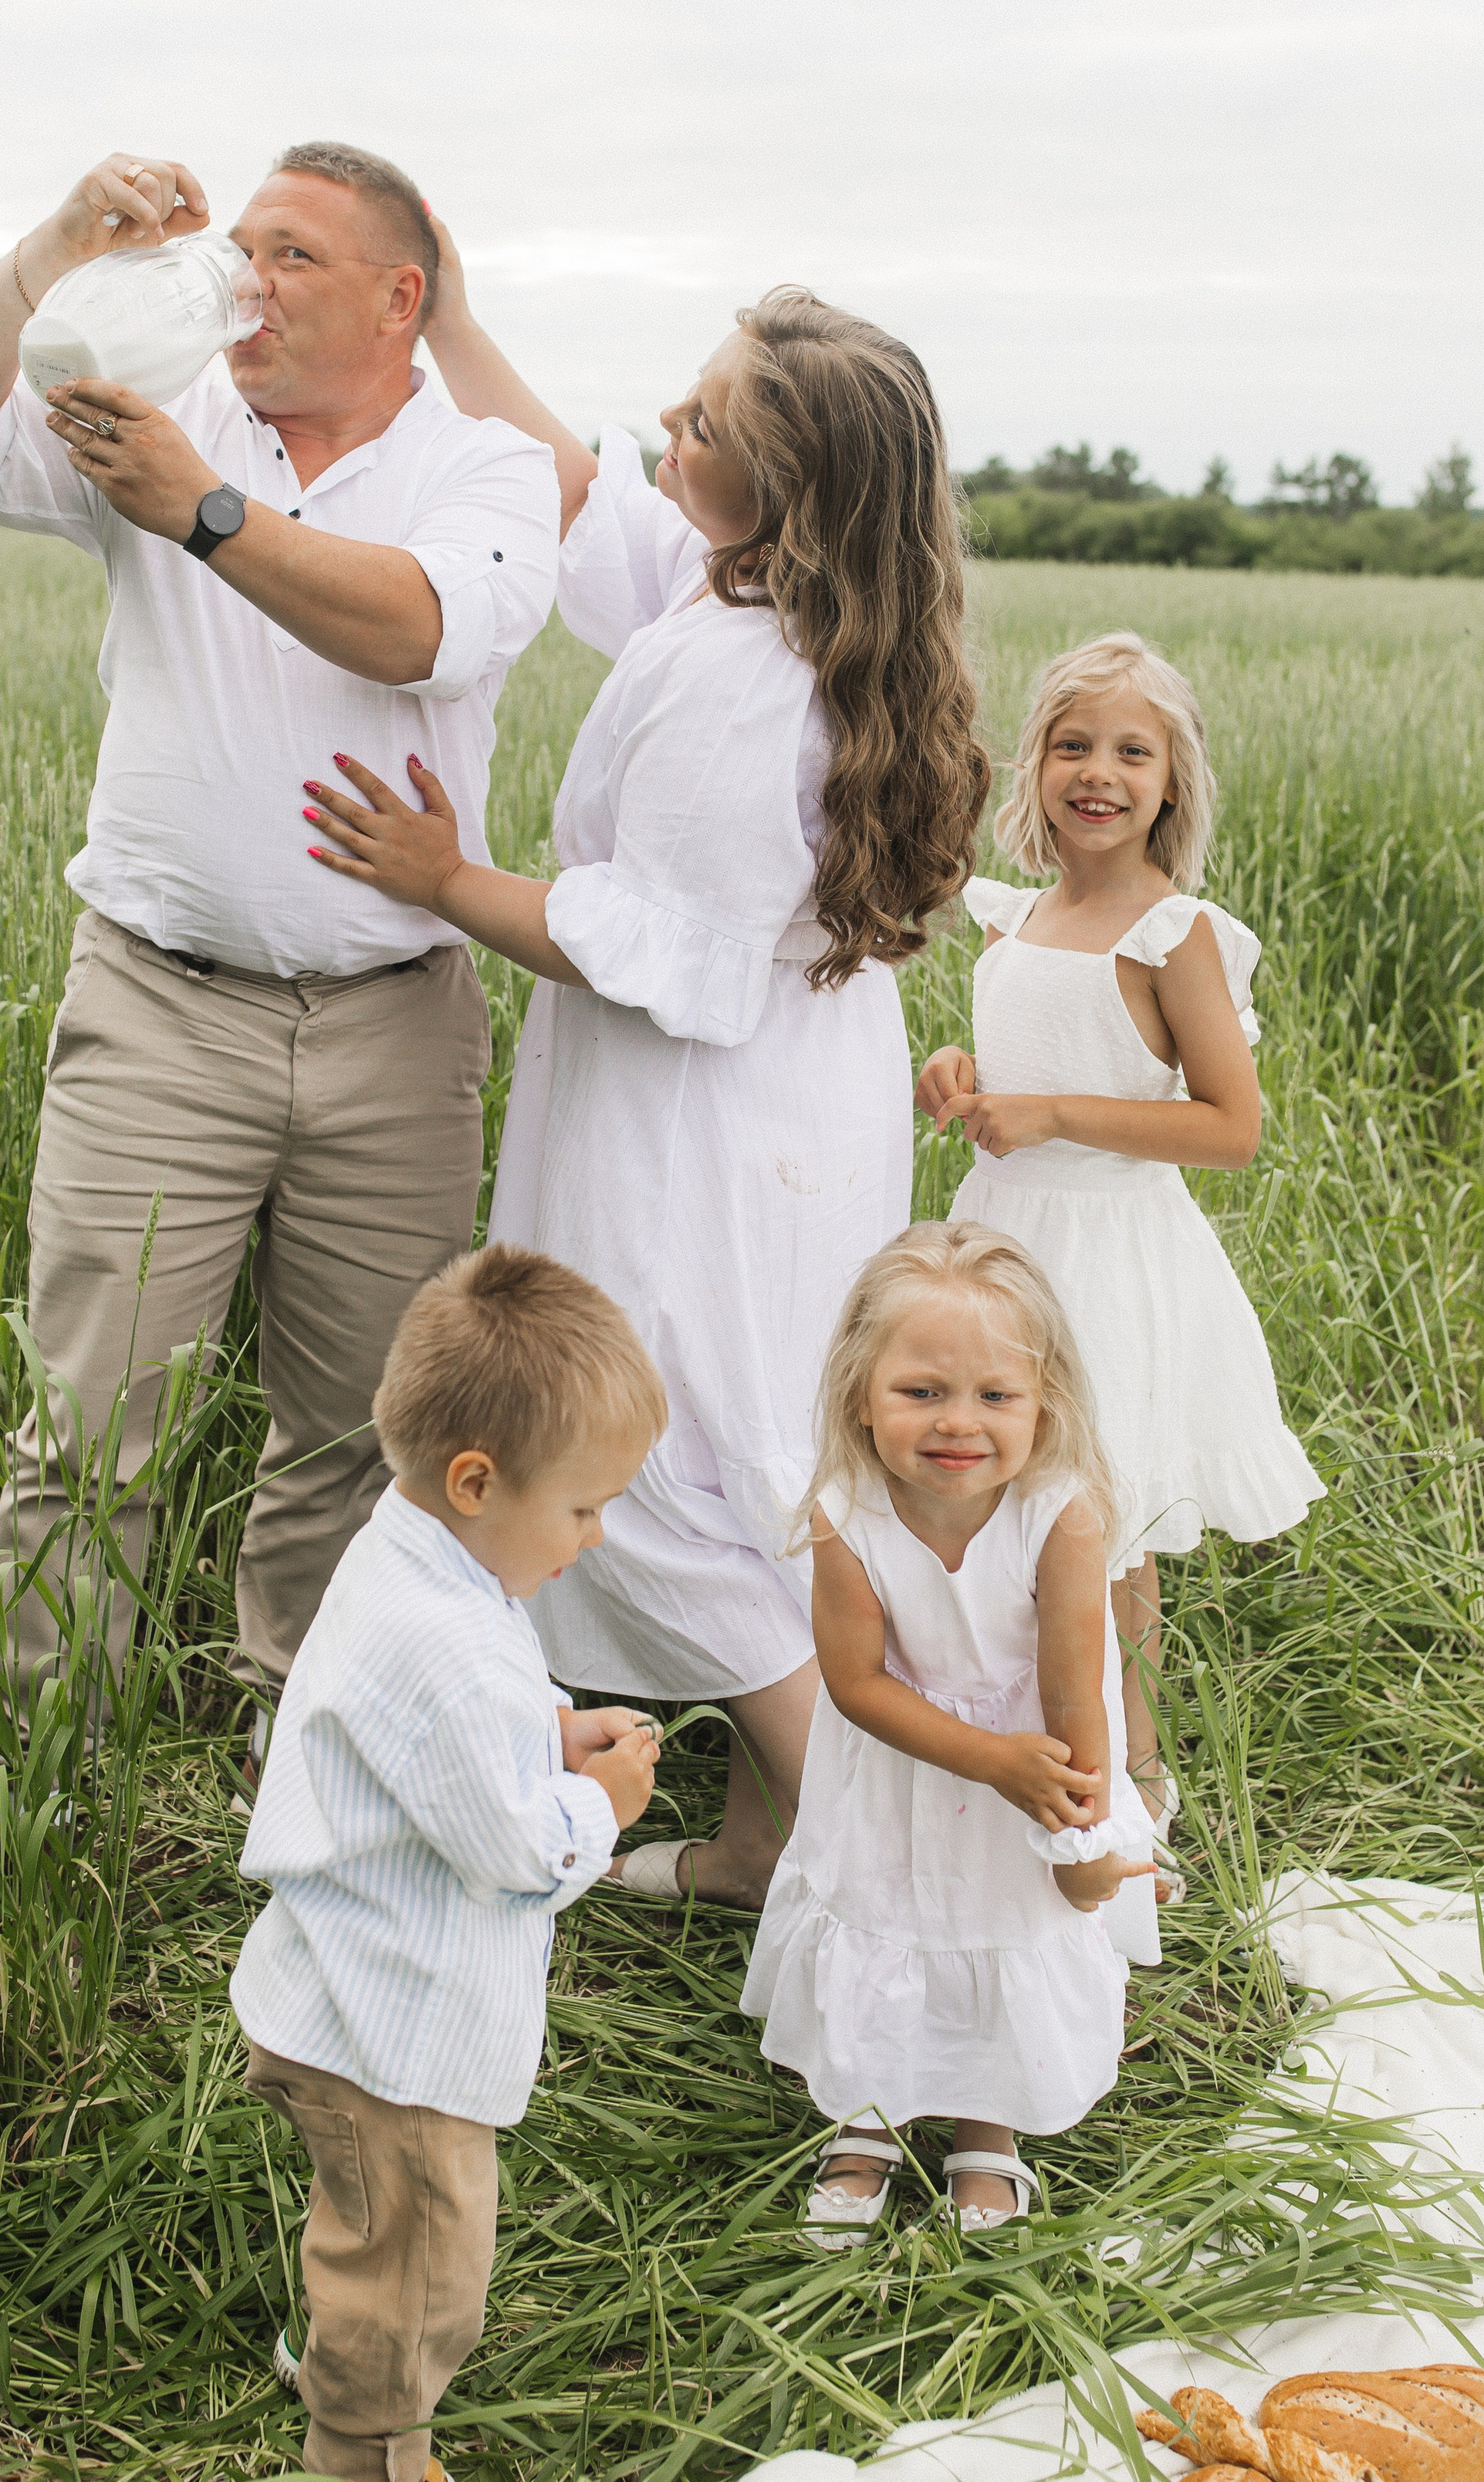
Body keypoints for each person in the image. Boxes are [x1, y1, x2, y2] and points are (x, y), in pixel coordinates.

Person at [299, 238, 988, 1909]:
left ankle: (873, 1893)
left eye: (702, 418)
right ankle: (764, 1852)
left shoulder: (752, 690)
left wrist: (443, 878)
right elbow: (586, 497)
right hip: (770, 1110)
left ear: (788, 491)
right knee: (743, 1438)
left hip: (695, 1125)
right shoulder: (750, 591)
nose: (664, 431)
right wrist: (447, 318)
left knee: (674, 1466)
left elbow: (661, 950)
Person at [0, 146, 559, 1725]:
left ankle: (298, 1758)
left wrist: (205, 511)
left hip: (393, 1026)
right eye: (237, 248)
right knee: (88, 1422)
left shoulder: (485, 465)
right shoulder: (165, 418)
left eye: (289, 256)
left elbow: (418, 626)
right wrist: (55, 249)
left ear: (401, 297)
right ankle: (45, 1772)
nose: (243, 279)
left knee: (356, 1434)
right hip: (159, 1008)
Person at [231, 1243, 667, 2482]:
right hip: (401, 2040)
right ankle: (366, 2440)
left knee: (370, 2224)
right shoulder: (452, 1650)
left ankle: (341, 2348)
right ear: (478, 1479)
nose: (595, 1533)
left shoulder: (411, 1541)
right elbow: (519, 1856)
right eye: (583, 1506)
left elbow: (462, 1729)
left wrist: (548, 1726)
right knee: (423, 2266)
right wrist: (601, 1799)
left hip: (342, 1985)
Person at [914, 630, 1323, 1836]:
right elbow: (1029, 1064)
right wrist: (963, 1072)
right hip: (1002, 1245)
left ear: (1170, 782)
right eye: (1072, 744)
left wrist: (1048, 1113)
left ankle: (1136, 1780)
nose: (1098, 771)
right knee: (994, 1503)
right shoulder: (1014, 918)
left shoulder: (1174, 932)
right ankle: (1013, 1736)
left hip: (1110, 1251)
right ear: (1034, 764)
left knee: (1108, 1528)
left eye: (1131, 752)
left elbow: (1232, 1125)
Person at [740, 1222, 1160, 2247]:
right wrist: (990, 1760)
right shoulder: (849, 1509)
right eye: (921, 1391)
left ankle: (988, 2120)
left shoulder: (1061, 1514)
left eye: (994, 1395)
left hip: (1036, 1767)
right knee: (884, 1909)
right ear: (860, 1395)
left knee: (999, 1920)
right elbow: (854, 1682)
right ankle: (869, 2111)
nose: (957, 1422)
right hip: (894, 1765)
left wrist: (1079, 1839)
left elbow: (1077, 1700)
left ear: (1044, 1400)